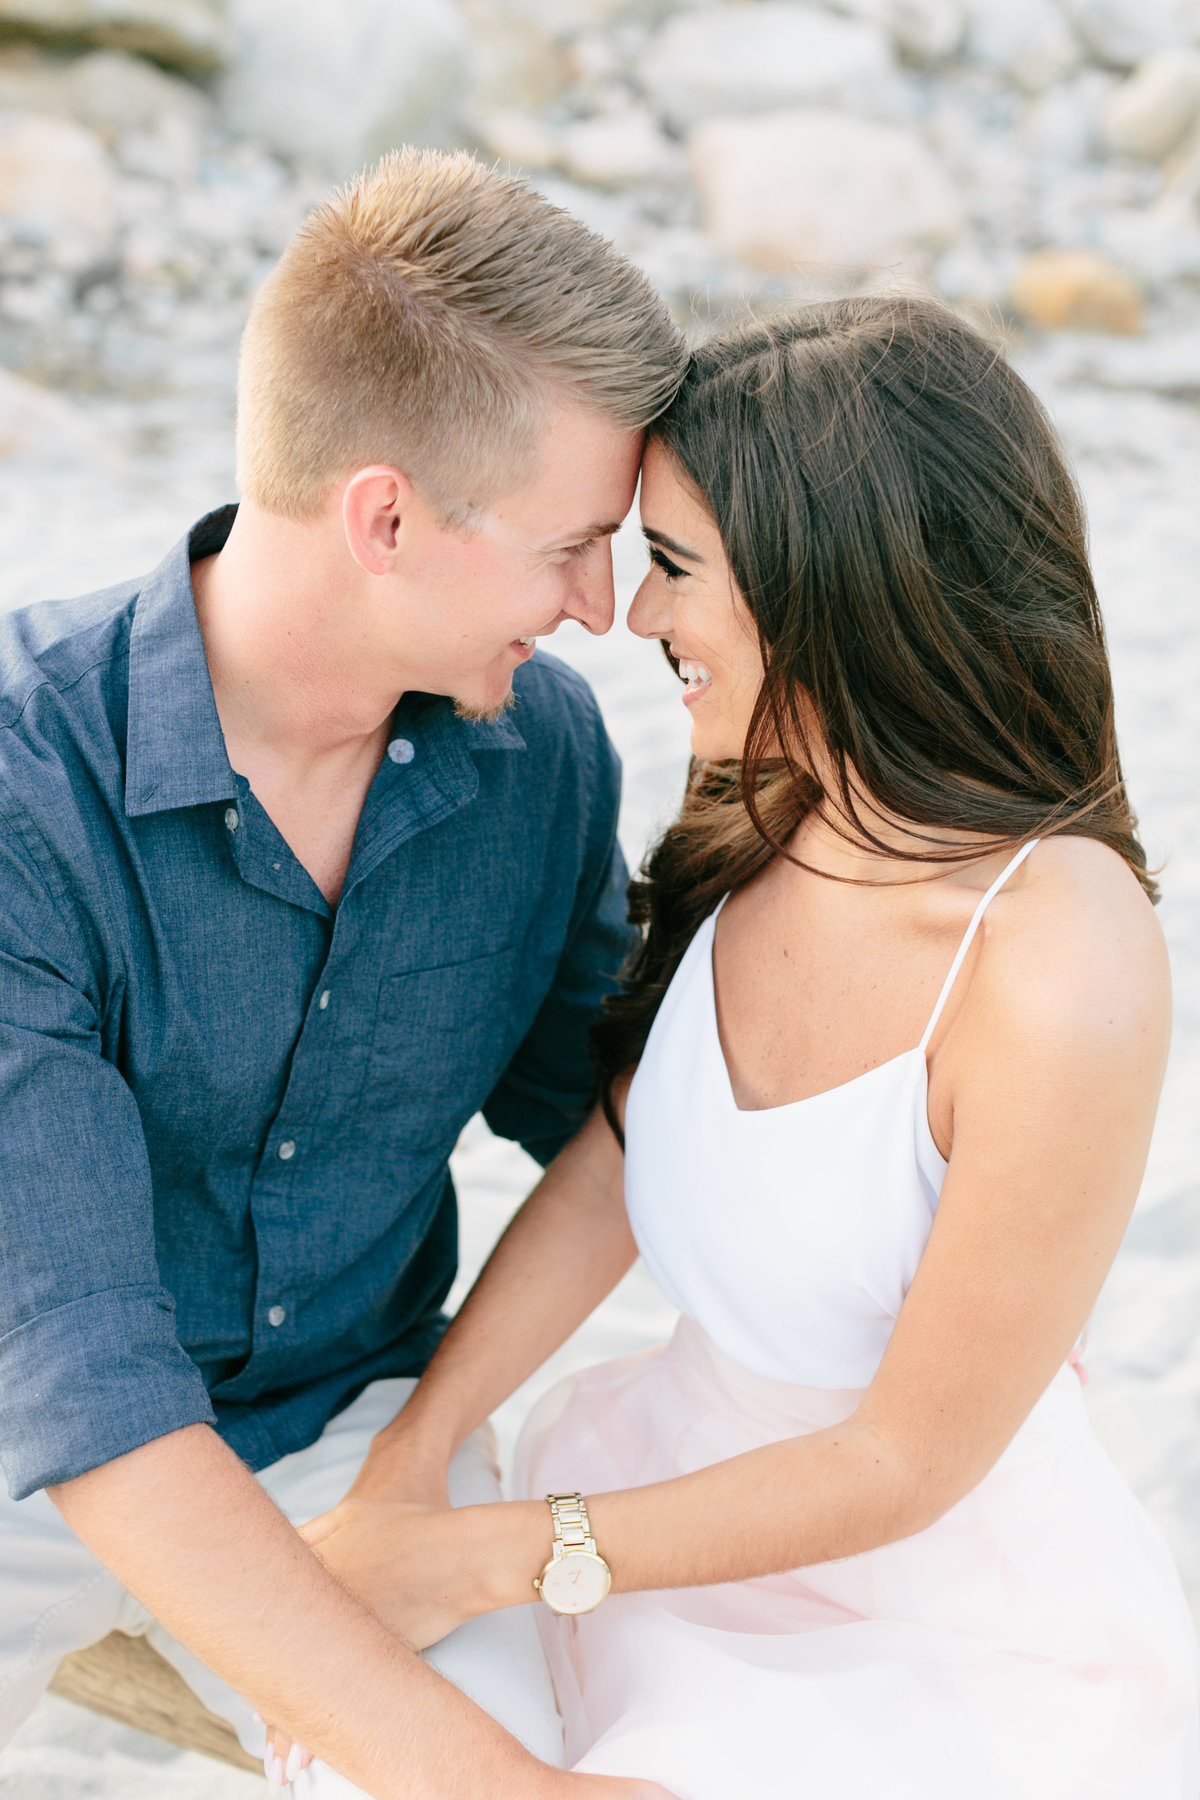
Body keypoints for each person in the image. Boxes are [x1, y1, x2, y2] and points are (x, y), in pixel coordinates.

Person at [323, 296, 1200, 1798]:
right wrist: (417, 1454)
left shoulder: (1058, 963)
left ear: (833, 590)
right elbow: (618, 1156)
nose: (635, 618)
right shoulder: (761, 793)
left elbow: (900, 1466)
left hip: (922, 1609)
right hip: (662, 1494)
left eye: (673, 569)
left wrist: (481, 1560)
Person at [0, 147, 685, 1800]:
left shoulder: (538, 756)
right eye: (573, 545)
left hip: (351, 1422)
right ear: (383, 518)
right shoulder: (26, 792)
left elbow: (617, 1116)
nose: (605, 608)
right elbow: (85, 1383)